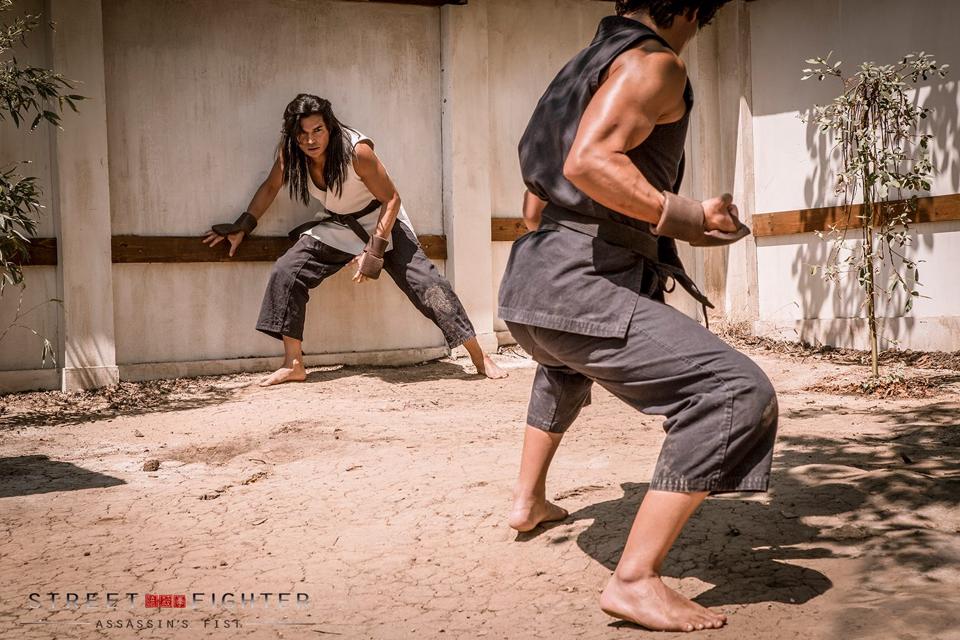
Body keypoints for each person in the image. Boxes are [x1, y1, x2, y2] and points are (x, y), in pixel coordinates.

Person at [499, 1, 777, 632]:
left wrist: (687, 226)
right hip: (579, 283)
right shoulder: (656, 63)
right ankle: (635, 581)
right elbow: (590, 162)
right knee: (737, 391)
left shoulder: (583, 66)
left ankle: (528, 500)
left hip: (531, 284)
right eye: (701, 20)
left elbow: (537, 204)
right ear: (689, 8)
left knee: (565, 363)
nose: (696, 34)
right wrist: (689, 216)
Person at [204, 94, 506, 386]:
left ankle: (479, 356)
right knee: (287, 270)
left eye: (317, 130)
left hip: (383, 221)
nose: (311, 140)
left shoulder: (357, 151)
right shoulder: (292, 153)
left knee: (428, 285)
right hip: (340, 225)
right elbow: (271, 187)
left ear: (330, 127)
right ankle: (293, 363)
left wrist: (374, 252)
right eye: (303, 133)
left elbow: (392, 199)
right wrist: (244, 225)